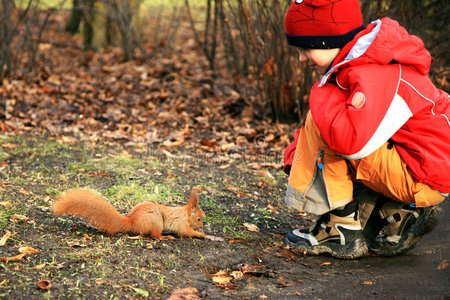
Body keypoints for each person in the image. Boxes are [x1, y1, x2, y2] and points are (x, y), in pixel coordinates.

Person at [282, 0, 449, 259]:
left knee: (325, 119)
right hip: (422, 167)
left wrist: (320, 102)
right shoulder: (370, 60)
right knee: (330, 119)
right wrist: (299, 155)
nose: (301, 58)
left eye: (305, 48)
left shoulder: (372, 72)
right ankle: (398, 212)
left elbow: (353, 144)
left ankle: (341, 229)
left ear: (327, 40)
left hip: (422, 176)